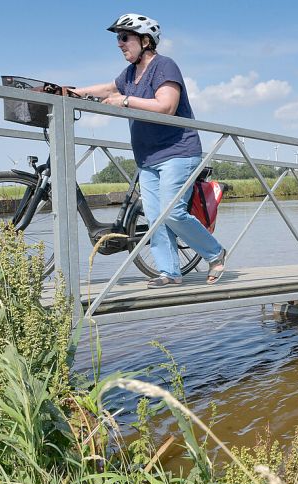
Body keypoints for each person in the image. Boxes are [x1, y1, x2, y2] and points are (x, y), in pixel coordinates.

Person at [73, 13, 226, 287]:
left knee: (172, 213)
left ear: (145, 41)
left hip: (178, 151)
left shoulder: (164, 66)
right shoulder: (130, 73)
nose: (119, 43)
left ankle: (215, 253)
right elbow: (109, 87)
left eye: (124, 37)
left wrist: (126, 101)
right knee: (156, 218)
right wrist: (76, 92)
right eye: (118, 38)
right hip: (147, 157)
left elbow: (166, 105)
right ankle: (170, 272)